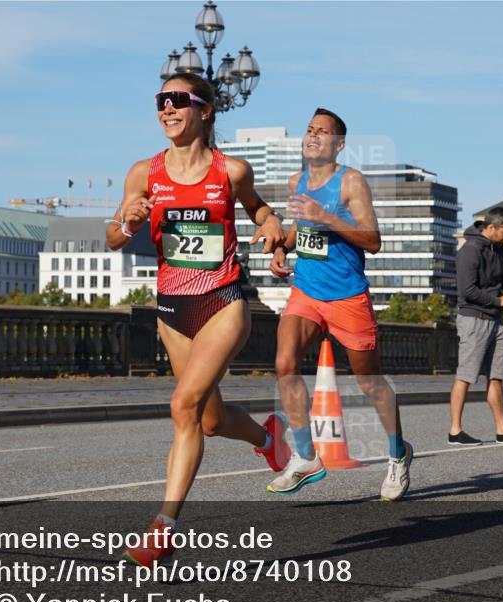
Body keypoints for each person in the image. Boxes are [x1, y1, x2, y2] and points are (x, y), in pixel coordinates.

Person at [106, 73, 291, 567]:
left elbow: (257, 208)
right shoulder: (144, 173)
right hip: (171, 310)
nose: (166, 109)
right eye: (160, 101)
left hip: (222, 302)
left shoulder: (230, 171)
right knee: (208, 421)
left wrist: (271, 222)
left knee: (182, 406)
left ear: (205, 111)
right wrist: (129, 221)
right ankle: (268, 439)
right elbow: (113, 237)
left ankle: (163, 528)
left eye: (177, 101)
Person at [267, 108, 411, 501]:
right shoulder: (296, 180)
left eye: (323, 132)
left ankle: (398, 453)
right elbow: (301, 231)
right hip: (307, 291)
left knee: (370, 383)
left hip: (347, 295)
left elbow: (373, 240)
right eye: (310, 130)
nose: (313, 136)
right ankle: (305, 456)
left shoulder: (351, 181)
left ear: (339, 144)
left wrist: (327, 217)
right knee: (284, 364)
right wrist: (282, 248)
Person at [448, 207, 503, 446]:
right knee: (465, 376)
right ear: (492, 227)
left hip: (496, 320)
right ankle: (455, 431)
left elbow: (501, 279)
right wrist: (499, 300)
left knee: (496, 376)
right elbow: (467, 291)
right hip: (474, 319)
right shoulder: (470, 250)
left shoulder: (498, 248)